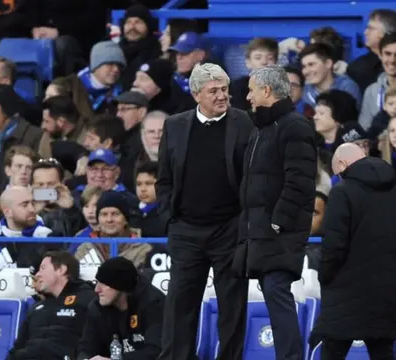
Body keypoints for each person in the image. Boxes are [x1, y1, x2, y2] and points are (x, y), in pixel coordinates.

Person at [156, 63, 252, 360]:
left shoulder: (246, 123)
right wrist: (169, 218)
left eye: (224, 89)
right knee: (180, 306)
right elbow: (164, 178)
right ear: (196, 94)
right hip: (186, 229)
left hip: (230, 228)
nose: (222, 96)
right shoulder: (174, 125)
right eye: (213, 91)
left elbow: (253, 175)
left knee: (232, 306)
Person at [234, 64, 317, 360]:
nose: (247, 97)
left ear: (267, 91)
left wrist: (277, 223)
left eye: (252, 89)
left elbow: (300, 181)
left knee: (277, 292)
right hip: (259, 231)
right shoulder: (262, 129)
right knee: (273, 293)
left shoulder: (294, 126)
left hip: (278, 232)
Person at [313, 143, 396, 360]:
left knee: (332, 352)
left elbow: (334, 246)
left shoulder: (342, 192)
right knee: (382, 352)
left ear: (343, 165)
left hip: (343, 293)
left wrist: (325, 276)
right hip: (386, 291)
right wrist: (392, 268)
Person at [7, 250, 96, 360]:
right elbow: (17, 347)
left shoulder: (87, 299)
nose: (38, 274)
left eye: (43, 268)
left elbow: (93, 344)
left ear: (61, 270)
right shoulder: (36, 308)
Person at [78, 257, 165, 360]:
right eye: (97, 282)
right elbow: (86, 348)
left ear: (120, 285)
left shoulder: (153, 304)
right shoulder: (97, 307)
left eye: (104, 283)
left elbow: (157, 351)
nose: (97, 289)